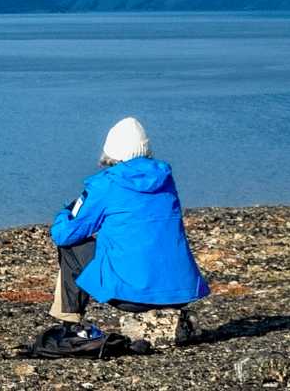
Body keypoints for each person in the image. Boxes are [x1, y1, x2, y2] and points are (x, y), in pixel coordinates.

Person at [48, 116, 210, 337]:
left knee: (71, 245)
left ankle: (69, 323)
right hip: (181, 292)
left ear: (110, 150)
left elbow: (63, 234)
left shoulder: (106, 184)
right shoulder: (165, 180)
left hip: (131, 296)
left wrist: (66, 212)